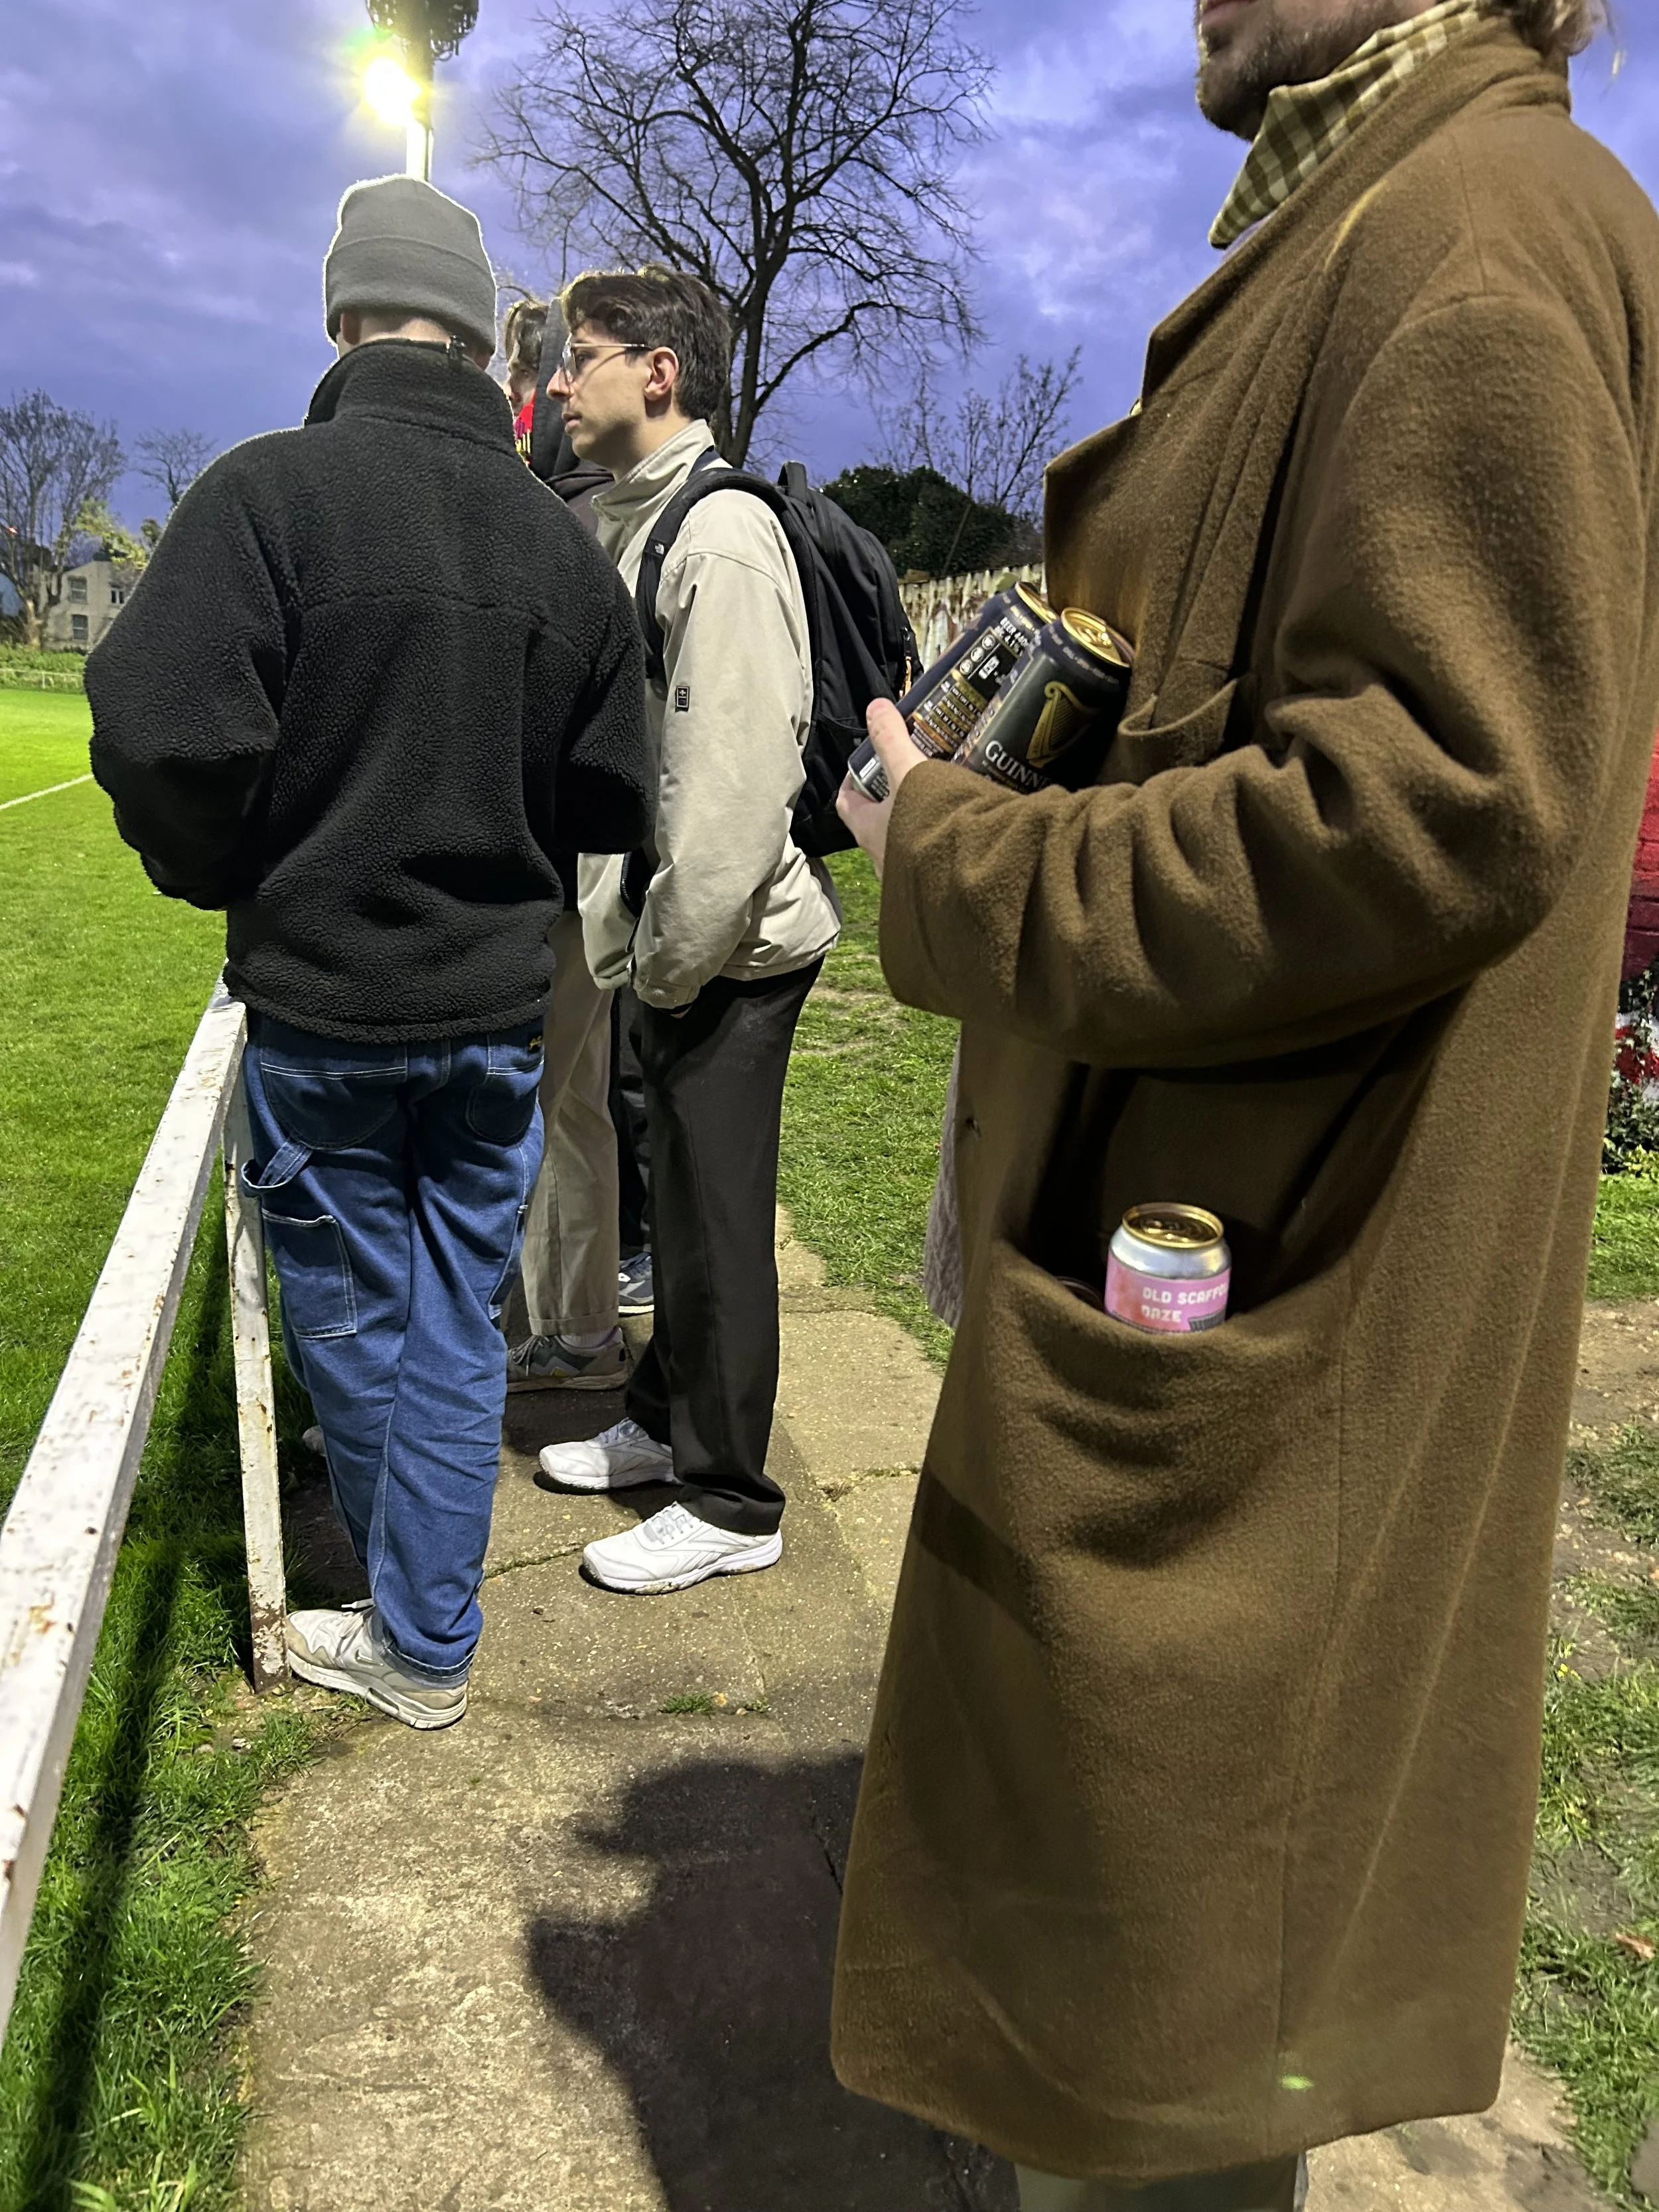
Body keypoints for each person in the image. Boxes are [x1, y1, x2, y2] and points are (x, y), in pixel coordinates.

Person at [828, 1, 1659, 2206]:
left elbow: (1432, 800)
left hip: (1267, 1327)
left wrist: (963, 856)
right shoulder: (1387, 213)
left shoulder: (1479, 221)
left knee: (1167, 2063)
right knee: (1147, 2042)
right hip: (1213, 1281)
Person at [86, 175, 652, 1727]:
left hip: (329, 1011)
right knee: (453, 1321)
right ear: (482, 341)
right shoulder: (560, 545)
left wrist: (228, 872)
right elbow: (616, 787)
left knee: (357, 1327)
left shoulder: (268, 494)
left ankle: (420, 1645)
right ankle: (428, 1632)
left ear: (342, 319)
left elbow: (151, 725)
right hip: (490, 1013)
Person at [534, 264, 840, 1593]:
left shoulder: (713, 540)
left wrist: (657, 966)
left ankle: (731, 1498)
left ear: (658, 373)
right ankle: (666, 1420)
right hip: (681, 943)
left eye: (580, 355)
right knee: (686, 1197)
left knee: (715, 1224)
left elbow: (724, 798)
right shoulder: (644, 520)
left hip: (724, 949)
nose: (555, 380)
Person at [496, 296, 634, 1394]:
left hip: (559, 871)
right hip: (591, 874)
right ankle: (581, 1327)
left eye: (538, 376)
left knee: (524, 1108)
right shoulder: (592, 512)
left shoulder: (567, 525)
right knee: (575, 1102)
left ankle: (508, 1341)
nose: (538, 395)